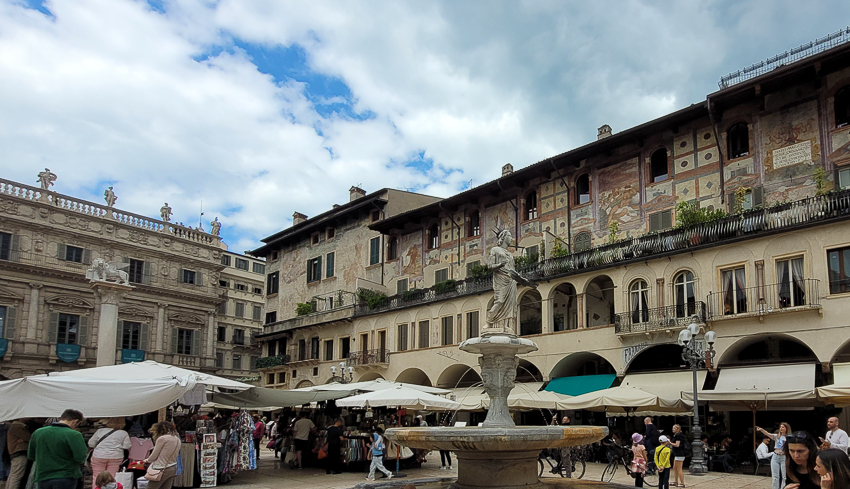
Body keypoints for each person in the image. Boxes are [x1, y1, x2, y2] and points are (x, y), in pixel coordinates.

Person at [27, 409, 87, 489]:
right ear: (75, 421)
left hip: (43, 476)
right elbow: (80, 457)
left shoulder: (38, 432)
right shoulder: (74, 435)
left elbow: (31, 455)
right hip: (66, 475)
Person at [88, 418, 131, 489]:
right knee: (112, 477)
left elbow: (91, 444)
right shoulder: (123, 433)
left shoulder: (100, 431)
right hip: (116, 456)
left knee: (97, 476)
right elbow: (127, 446)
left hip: (99, 455)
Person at [143, 422, 181, 489]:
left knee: (151, 487)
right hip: (172, 467)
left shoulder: (162, 439)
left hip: (161, 468)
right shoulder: (177, 439)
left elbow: (155, 454)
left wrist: (147, 460)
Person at [757, 422, 792, 489]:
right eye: (780, 427)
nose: (781, 428)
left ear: (786, 428)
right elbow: (768, 434)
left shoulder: (789, 438)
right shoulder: (777, 436)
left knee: (784, 476)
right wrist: (761, 430)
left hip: (783, 457)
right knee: (775, 476)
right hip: (776, 456)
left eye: (783, 427)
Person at [6, 418, 31, 489]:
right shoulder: (18, 427)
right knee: (17, 475)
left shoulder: (13, 427)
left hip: (15, 453)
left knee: (13, 474)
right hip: (19, 453)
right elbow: (29, 437)